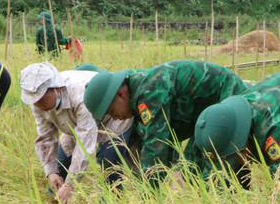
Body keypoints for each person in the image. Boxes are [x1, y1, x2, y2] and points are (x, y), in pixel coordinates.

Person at [84, 60, 248, 183]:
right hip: (201, 115)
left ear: (121, 94)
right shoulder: (135, 96)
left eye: (112, 111)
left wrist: (148, 195)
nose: (114, 118)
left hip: (227, 98)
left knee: (216, 166)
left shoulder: (148, 92)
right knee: (190, 171)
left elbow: (157, 144)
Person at [19, 62, 133, 204]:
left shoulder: (81, 95)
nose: (40, 106)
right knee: (61, 166)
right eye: (35, 102)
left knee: (109, 161)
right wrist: (51, 172)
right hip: (73, 123)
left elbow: (85, 142)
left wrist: (71, 184)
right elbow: (45, 137)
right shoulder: (37, 103)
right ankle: (58, 200)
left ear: (57, 89)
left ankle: (113, 203)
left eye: (42, 100)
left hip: (112, 117)